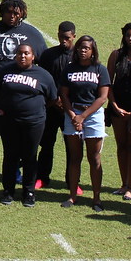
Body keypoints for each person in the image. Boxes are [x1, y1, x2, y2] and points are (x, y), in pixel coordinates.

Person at [0, 0, 47, 181]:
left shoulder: (33, 34)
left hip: (21, 98)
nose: (12, 16)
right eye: (8, 12)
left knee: (16, 137)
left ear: (22, 13)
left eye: (16, 12)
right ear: (2, 12)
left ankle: (15, 170)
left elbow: (42, 63)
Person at [0, 44, 58, 208]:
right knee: (10, 155)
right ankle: (8, 190)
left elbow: (52, 98)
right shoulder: (5, 71)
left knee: (30, 156)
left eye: (26, 53)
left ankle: (28, 191)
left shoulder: (43, 75)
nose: (22, 56)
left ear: (33, 56)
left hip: (33, 122)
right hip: (9, 122)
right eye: (19, 53)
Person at [59, 35, 110, 211]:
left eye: (86, 48)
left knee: (94, 158)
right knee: (74, 158)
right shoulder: (69, 69)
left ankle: (96, 198)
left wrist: (83, 117)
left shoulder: (100, 69)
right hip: (73, 113)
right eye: (80, 47)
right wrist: (74, 115)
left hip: (93, 115)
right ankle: (72, 196)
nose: (83, 50)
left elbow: (102, 97)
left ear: (93, 50)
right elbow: (64, 95)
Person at [106, 22, 131, 201]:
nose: (130, 39)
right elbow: (108, 82)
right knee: (121, 145)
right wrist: (114, 106)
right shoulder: (116, 55)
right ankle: (123, 184)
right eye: (128, 35)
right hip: (118, 108)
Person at [36, 21, 76, 190]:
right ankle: (42, 177)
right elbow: (41, 79)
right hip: (50, 107)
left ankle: (72, 181)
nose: (63, 41)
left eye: (67, 38)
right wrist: (53, 100)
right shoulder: (48, 55)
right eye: (61, 37)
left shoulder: (80, 56)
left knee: (72, 147)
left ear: (74, 36)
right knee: (46, 144)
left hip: (72, 110)